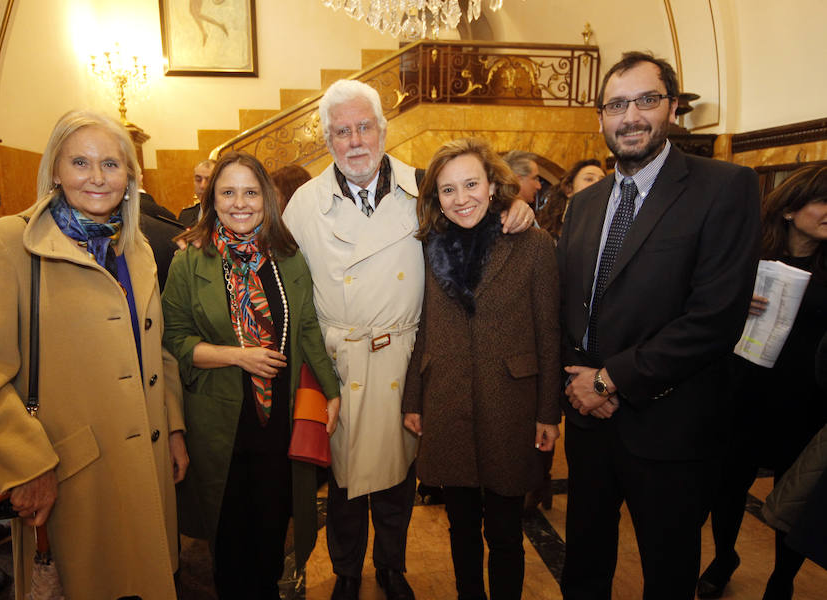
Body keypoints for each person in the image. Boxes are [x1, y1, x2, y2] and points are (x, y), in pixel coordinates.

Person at [282, 79, 533, 600]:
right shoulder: (304, 204)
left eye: (364, 127)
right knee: (346, 483)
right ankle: (348, 571)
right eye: (341, 131)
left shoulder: (423, 188)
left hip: (404, 356)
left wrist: (516, 210)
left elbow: (474, 219)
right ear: (327, 139)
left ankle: (391, 567)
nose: (355, 141)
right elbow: (284, 283)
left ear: (383, 130)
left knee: (398, 475)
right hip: (339, 361)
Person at [0, 109, 188, 600]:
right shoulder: (6, 245)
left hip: (147, 463)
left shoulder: (136, 248)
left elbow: (157, 351)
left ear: (129, 176)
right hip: (68, 474)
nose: (97, 178)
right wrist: (28, 468)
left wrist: (174, 429)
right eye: (80, 162)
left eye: (111, 164)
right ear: (55, 170)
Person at [556, 51, 760, 599]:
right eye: (616, 105)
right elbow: (567, 305)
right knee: (584, 567)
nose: (631, 117)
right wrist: (578, 383)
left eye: (646, 100)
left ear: (672, 105)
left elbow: (714, 319)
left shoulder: (725, 188)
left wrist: (609, 380)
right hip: (589, 424)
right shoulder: (584, 203)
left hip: (670, 426)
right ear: (600, 117)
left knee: (667, 575)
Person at [161, 151, 340, 599]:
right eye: (228, 192)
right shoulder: (189, 262)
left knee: (271, 532)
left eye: (250, 192)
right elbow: (174, 341)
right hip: (219, 427)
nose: (240, 203)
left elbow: (308, 327)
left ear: (267, 198)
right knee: (229, 541)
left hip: (279, 423)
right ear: (212, 199)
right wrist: (237, 356)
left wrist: (332, 390)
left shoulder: (288, 258)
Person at [402, 137, 561, 600]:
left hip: (510, 402)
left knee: (507, 532)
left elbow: (548, 333)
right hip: (447, 399)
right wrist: (414, 398)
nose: (461, 198)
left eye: (471, 184)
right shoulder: (429, 246)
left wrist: (548, 413)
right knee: (461, 527)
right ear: (436, 197)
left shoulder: (531, 243)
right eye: (448, 190)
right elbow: (423, 326)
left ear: (493, 185)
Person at [698, 164, 827, 600]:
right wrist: (731, 301)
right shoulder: (746, 254)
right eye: (823, 201)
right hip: (744, 389)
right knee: (729, 485)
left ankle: (782, 579)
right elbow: (701, 309)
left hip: (808, 398)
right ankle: (724, 556)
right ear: (791, 210)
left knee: (795, 493)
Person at [536, 159, 606, 241]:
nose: (598, 183)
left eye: (603, 180)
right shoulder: (544, 233)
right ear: (569, 189)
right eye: (589, 179)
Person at [178, 159, 215, 227]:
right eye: (198, 180)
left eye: (209, 180)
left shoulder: (227, 216)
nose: (202, 186)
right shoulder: (186, 216)